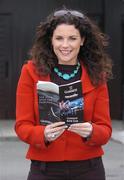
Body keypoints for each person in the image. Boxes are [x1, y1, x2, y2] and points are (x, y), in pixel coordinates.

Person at [15, 8, 113, 180]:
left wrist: (91, 131)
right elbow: (22, 125)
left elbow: (105, 130)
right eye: (59, 38)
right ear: (51, 40)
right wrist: (42, 134)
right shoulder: (30, 72)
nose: (65, 45)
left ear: (82, 40)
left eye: (72, 38)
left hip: (89, 169)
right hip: (44, 170)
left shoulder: (97, 75)